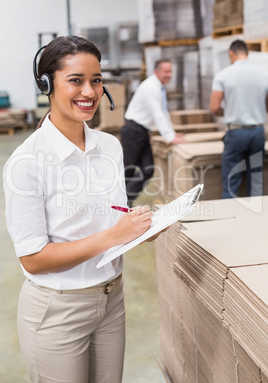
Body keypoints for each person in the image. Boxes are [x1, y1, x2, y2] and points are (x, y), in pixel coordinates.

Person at [3, 35, 165, 383]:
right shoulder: (26, 162)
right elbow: (33, 257)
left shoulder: (110, 146)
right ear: (46, 84)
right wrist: (112, 236)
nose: (89, 92)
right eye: (76, 80)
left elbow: (114, 216)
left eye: (96, 80)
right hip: (58, 309)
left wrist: (140, 229)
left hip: (111, 299)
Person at [120, 59, 185, 206]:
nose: (169, 75)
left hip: (141, 131)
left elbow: (164, 113)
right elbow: (158, 114)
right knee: (128, 170)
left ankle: (125, 201)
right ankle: (120, 204)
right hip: (133, 131)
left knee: (148, 169)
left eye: (170, 71)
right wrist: (169, 137)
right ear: (157, 72)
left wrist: (173, 135)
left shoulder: (158, 87)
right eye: (166, 72)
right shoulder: (151, 87)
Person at [210, 39, 268, 199]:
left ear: (231, 54)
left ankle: (231, 219)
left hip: (236, 133)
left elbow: (214, 107)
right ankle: (257, 219)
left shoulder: (223, 76)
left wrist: (229, 111)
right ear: (247, 54)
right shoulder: (264, 75)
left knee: (231, 180)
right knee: (256, 178)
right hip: (257, 131)